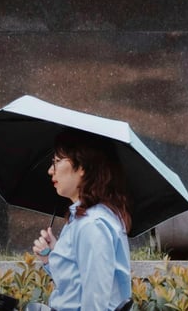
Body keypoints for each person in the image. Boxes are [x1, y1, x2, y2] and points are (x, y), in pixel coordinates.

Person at [32, 130, 132, 311]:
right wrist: (52, 255)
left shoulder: (92, 224)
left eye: (56, 161)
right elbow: (75, 286)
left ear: (82, 167)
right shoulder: (85, 219)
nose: (50, 170)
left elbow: (96, 300)